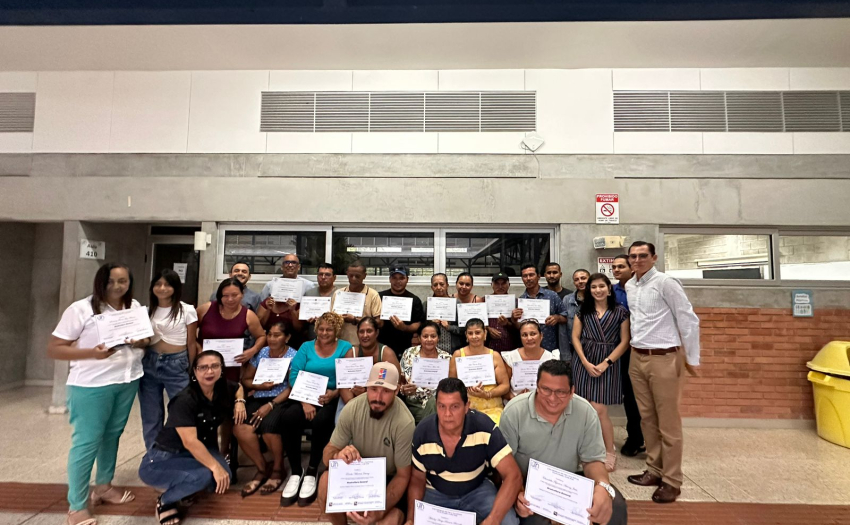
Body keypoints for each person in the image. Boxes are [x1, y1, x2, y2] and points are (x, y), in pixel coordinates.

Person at [47, 263, 150, 525]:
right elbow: (55, 348)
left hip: (127, 380)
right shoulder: (81, 309)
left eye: (123, 281)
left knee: (112, 436)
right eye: (111, 281)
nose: (117, 286)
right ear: (100, 282)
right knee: (86, 443)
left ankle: (103, 485)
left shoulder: (134, 307)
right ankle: (77, 506)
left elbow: (146, 339)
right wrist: (92, 353)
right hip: (92, 385)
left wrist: (140, 341)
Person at [500, 360, 627, 525]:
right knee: (533, 519)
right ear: (537, 387)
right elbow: (505, 464)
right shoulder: (514, 411)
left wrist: (603, 486)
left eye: (561, 392)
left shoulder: (586, 412)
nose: (552, 398)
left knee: (614, 506)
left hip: (573, 481)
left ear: (572, 391)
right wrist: (518, 491)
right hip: (528, 483)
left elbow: (593, 460)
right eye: (546, 389)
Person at [625, 241, 701, 504]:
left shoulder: (666, 283)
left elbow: (688, 319)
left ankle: (672, 480)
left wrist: (691, 358)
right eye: (633, 256)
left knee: (668, 423)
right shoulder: (630, 285)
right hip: (637, 357)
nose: (637, 260)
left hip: (664, 358)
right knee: (647, 419)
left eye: (642, 255)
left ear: (654, 257)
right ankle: (654, 470)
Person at [138, 350, 247, 525]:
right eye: (203, 367)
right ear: (194, 372)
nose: (209, 372)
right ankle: (166, 500)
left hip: (193, 452)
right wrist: (215, 467)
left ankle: (186, 486)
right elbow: (190, 441)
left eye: (214, 366)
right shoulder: (185, 400)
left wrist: (240, 402)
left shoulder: (223, 387)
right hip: (164, 458)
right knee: (206, 475)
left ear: (221, 369)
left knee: (224, 475)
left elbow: (239, 387)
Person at [406, 378, 522, 525]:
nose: (447, 414)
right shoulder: (423, 432)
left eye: (454, 407)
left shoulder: (484, 427)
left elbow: (513, 475)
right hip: (436, 493)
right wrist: (411, 518)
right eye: (442, 406)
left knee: (509, 522)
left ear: (467, 406)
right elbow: (417, 480)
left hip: (477, 490)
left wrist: (493, 520)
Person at [318, 363, 415, 525]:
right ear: (366, 387)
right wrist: (337, 455)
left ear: (397, 390)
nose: (378, 397)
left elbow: (403, 475)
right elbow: (327, 454)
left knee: (391, 520)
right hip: (358, 474)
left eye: (386, 391)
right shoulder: (352, 408)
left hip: (388, 479)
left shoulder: (405, 422)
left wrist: (378, 512)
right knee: (325, 481)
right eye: (374, 389)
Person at [278, 312, 353, 507]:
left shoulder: (345, 348)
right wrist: (304, 402)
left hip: (329, 399)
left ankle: (312, 470)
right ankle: (296, 471)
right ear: (316, 329)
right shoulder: (305, 347)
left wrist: (334, 394)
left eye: (329, 329)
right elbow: (294, 376)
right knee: (287, 418)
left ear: (336, 330)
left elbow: (347, 378)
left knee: (323, 422)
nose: (324, 332)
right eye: (321, 328)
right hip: (304, 397)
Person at [571, 273, 630, 472]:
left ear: (609, 288)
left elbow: (624, 341)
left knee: (600, 409)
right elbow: (575, 338)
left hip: (609, 362)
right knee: (583, 408)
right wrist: (585, 362)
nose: (597, 290)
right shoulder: (583, 311)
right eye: (593, 287)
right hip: (583, 361)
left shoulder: (620, 312)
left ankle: (608, 450)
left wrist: (606, 362)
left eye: (601, 286)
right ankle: (584, 450)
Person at [233, 322, 298, 497]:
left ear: (287, 337)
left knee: (269, 426)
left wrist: (270, 405)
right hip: (260, 394)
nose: (271, 339)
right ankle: (261, 468)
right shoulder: (262, 353)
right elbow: (246, 380)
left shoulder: (294, 355)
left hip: (282, 400)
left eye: (277, 335)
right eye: (269, 335)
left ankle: (278, 468)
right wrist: (260, 386)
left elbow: (292, 387)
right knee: (240, 427)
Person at [139, 268, 198, 451]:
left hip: (177, 363)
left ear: (175, 287)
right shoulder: (146, 311)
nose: (162, 288)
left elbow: (191, 342)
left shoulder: (187, 310)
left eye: (167, 284)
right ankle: (153, 454)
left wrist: (192, 368)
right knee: (151, 413)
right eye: (158, 284)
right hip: (149, 363)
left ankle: (181, 451)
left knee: (181, 412)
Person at [197, 278, 266, 383]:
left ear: (242, 294)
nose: (230, 299)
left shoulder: (248, 315)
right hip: (205, 364)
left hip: (231, 366)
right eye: (225, 295)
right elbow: (188, 331)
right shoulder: (205, 309)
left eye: (234, 295)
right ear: (219, 295)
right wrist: (198, 348)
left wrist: (252, 351)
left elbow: (261, 336)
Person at [611, 254, 644, 458]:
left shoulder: (639, 289)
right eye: (614, 267)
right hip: (614, 349)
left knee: (635, 397)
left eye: (621, 266)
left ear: (631, 268)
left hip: (636, 347)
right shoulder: (611, 291)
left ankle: (637, 438)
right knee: (625, 395)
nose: (616, 270)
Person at [449, 318, 511, 424]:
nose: (474, 337)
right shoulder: (458, 355)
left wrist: (488, 394)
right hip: (466, 407)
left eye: (477, 332)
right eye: (470, 333)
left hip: (493, 407)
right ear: (466, 336)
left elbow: (505, 386)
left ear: (485, 333)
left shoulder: (494, 355)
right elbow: (451, 385)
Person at [339, 317, 400, 407]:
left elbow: (395, 385)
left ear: (377, 333)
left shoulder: (387, 354)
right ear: (357, 334)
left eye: (369, 331)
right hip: (353, 401)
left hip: (381, 402)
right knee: (341, 419)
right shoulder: (352, 353)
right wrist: (353, 407)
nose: (365, 335)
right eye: (361, 332)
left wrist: (366, 394)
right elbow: (343, 386)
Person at [399, 321, 452, 424]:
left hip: (440, 405)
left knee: (434, 402)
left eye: (433, 336)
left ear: (438, 338)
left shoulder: (447, 358)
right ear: (419, 338)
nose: (429, 340)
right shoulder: (409, 354)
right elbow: (400, 382)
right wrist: (403, 390)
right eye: (425, 336)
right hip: (414, 404)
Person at [512, 264, 567, 352]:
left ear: (538, 276)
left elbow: (565, 317)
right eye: (525, 276)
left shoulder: (552, 296)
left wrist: (557, 318)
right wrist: (514, 320)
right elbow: (519, 327)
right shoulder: (520, 301)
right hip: (529, 348)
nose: (528, 278)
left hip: (549, 347)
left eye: (531, 275)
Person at [501, 320, 555, 401]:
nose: (529, 338)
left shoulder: (551, 358)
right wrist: (516, 399)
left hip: (545, 403)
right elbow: (504, 388)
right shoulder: (511, 357)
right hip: (515, 404)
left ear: (541, 336)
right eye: (524, 335)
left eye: (533, 334)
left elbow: (556, 386)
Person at [332, 261, 383, 346]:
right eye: (351, 275)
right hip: (340, 343)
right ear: (347, 274)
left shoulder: (373, 294)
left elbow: (380, 322)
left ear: (365, 275)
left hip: (364, 345)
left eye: (357, 276)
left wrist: (355, 320)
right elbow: (331, 319)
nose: (354, 279)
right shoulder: (338, 293)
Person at [379, 266, 425, 359]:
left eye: (402, 278)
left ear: (407, 279)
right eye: (394, 278)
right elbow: (373, 319)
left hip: (404, 345)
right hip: (381, 344)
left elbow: (418, 324)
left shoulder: (415, 300)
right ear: (390, 279)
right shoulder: (379, 297)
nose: (398, 281)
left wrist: (404, 327)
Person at [558, 269, 590, 362]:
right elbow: (562, 331)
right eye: (576, 279)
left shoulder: (597, 298)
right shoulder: (567, 300)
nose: (580, 281)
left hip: (592, 348)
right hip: (573, 348)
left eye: (583, 278)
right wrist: (566, 356)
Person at [424, 273, 458, 352]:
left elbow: (464, 328)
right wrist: (430, 323)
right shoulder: (426, 304)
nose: (438, 287)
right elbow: (421, 327)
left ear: (447, 285)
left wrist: (449, 327)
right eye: (435, 285)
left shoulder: (456, 303)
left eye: (442, 284)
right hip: (431, 348)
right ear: (432, 287)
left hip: (452, 348)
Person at [303, 262, 338, 341]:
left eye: (327, 275)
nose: (323, 277)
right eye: (320, 274)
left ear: (334, 278)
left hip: (334, 341)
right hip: (312, 340)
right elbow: (303, 319)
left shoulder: (339, 294)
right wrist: (306, 318)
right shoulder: (309, 293)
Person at [486, 272, 519, 353]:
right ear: (491, 285)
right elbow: (477, 323)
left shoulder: (516, 303)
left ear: (509, 284)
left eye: (503, 283)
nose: (500, 287)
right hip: (489, 347)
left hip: (510, 347)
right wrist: (488, 329)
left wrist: (507, 324)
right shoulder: (484, 301)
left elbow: (520, 329)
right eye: (497, 283)